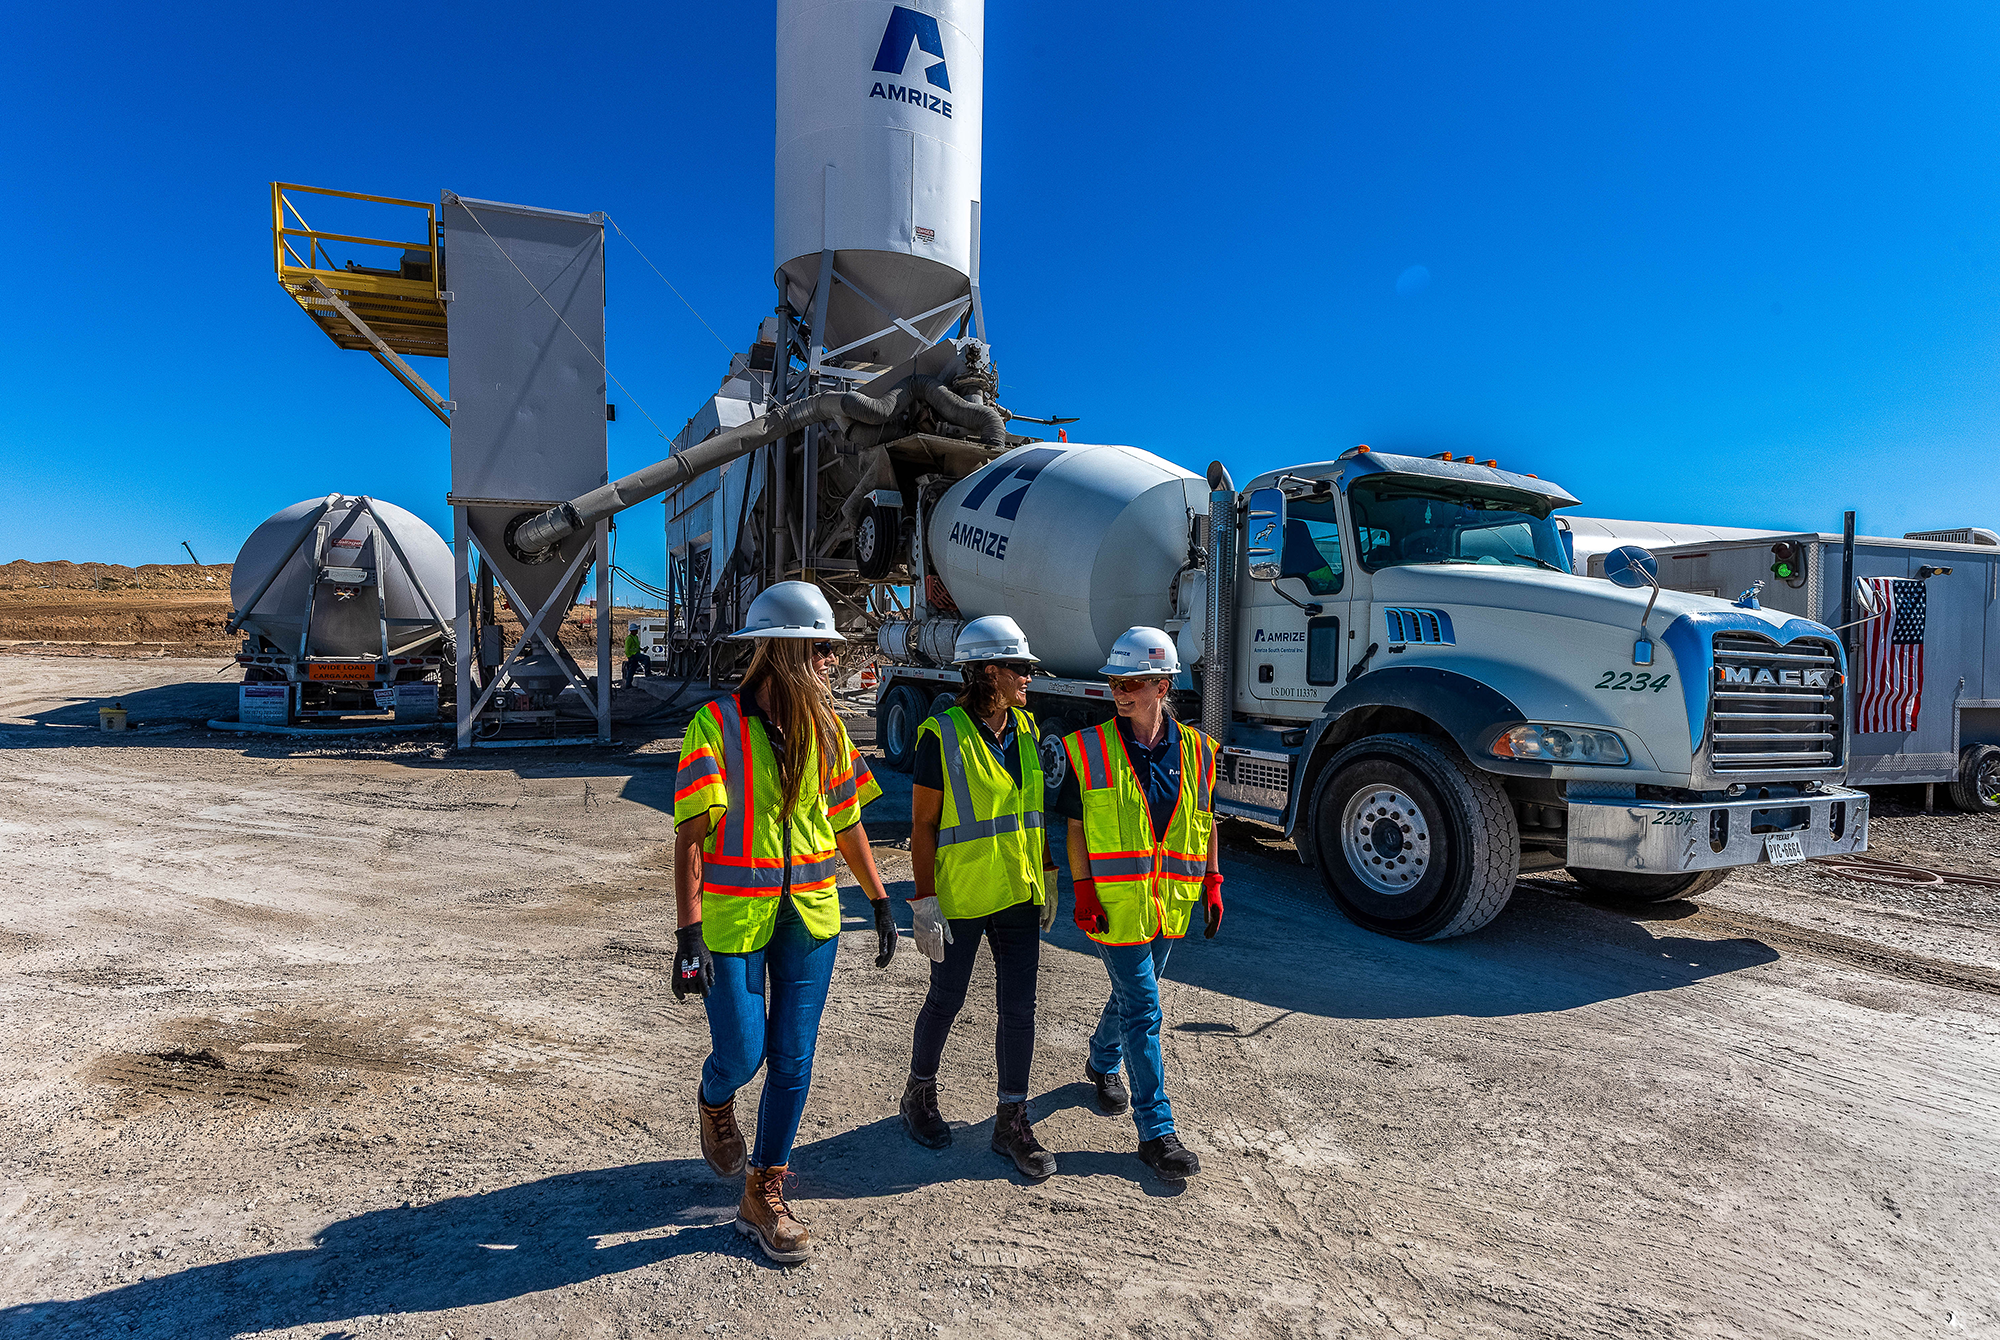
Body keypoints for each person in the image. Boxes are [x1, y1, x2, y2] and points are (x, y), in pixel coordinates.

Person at [670, 581, 899, 1263]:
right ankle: (715, 1099)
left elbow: (847, 818)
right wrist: (687, 936)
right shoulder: (715, 728)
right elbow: (690, 839)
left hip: (811, 918)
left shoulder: (829, 730)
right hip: (735, 921)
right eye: (822, 649)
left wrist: (880, 897)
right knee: (743, 1054)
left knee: (793, 1059)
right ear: (786, 652)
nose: (831, 660)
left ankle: (761, 1193)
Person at [1049, 626, 1223, 1184]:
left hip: (1170, 903)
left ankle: (1101, 1061)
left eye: (1131, 681)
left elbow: (1205, 819)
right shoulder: (1089, 748)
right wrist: (1083, 891)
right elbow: (1075, 828)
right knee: (1145, 1007)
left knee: (1131, 997)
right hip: (1114, 905)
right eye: (1115, 681)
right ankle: (1157, 1131)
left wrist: (1213, 881)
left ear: (1162, 685)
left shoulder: (1197, 751)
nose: (1119, 691)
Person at [899, 616, 1060, 1178]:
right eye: (1020, 669)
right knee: (947, 999)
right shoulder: (941, 734)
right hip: (962, 894)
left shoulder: (1027, 731)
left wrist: (1047, 869)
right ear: (990, 672)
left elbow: (1031, 810)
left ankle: (1010, 1119)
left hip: (1017, 891)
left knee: (1020, 1009)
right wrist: (923, 900)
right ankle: (918, 1095)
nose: (1028, 679)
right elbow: (922, 826)